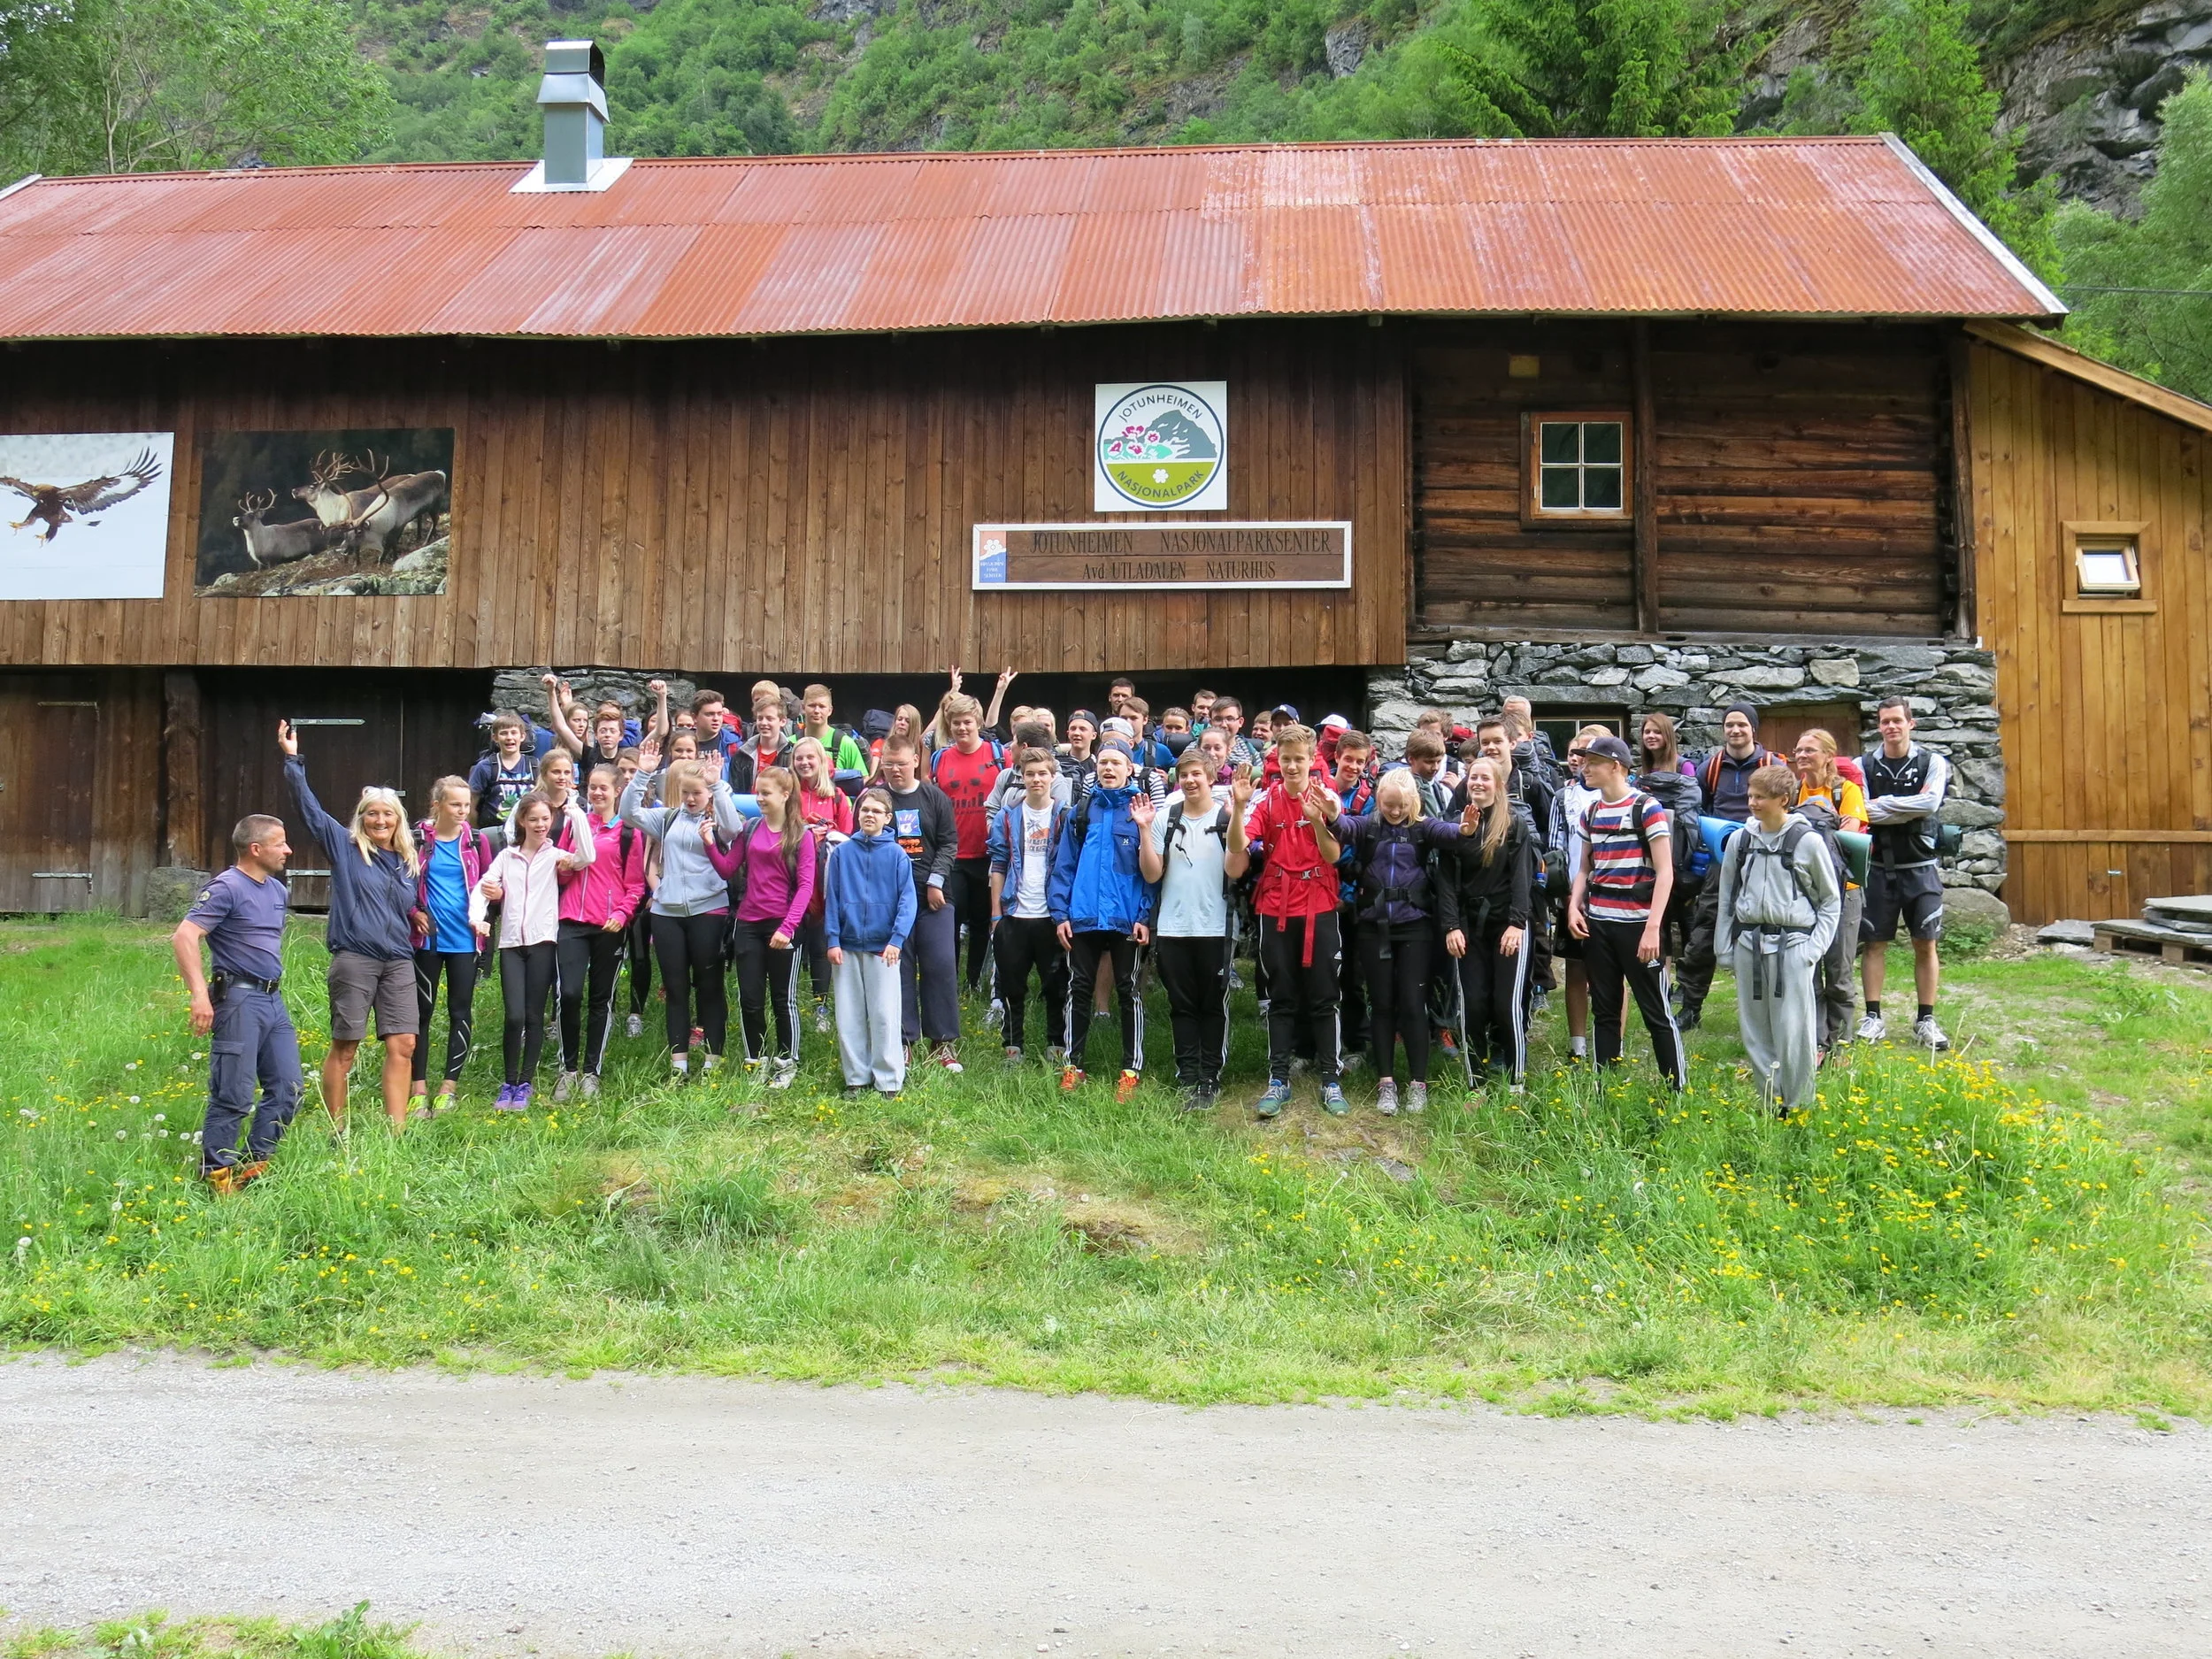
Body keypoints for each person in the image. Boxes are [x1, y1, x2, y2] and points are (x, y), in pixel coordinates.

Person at [280, 722, 419, 1133]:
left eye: (388, 814)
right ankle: (336, 1129)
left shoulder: (408, 861)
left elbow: (399, 902)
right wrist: (293, 761)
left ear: (399, 820)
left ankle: (396, 1133)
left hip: (398, 961)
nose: (380, 820)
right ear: (362, 819)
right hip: (355, 958)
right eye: (373, 813)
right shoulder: (344, 846)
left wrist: (416, 914)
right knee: (346, 1046)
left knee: (404, 1044)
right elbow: (308, 810)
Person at [174, 814, 302, 1192]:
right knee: (234, 1092)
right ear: (256, 848)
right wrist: (200, 996)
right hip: (239, 1000)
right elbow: (184, 937)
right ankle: (215, 1174)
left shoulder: (277, 891)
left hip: (272, 999)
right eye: (280, 843)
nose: (288, 850)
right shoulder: (226, 887)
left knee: (289, 1087)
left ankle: (253, 1165)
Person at [1232, 724, 1348, 1118]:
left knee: (1324, 993)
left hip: (1318, 905)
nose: (1293, 766)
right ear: (1277, 761)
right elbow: (1238, 847)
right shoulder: (1265, 801)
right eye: (1286, 759)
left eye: (1300, 759)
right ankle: (1278, 1079)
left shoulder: (1326, 796)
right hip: (1276, 906)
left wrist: (1317, 818)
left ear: (1313, 758)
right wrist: (1238, 807)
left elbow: (1333, 856)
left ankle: (1331, 1079)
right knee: (1280, 996)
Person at [1336, 767, 1468, 1114]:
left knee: (1413, 1003)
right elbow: (1344, 828)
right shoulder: (1369, 826)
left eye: (1401, 806)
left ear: (1413, 801)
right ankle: (1386, 1083)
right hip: (1373, 925)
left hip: (1415, 928)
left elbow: (1450, 834)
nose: (1395, 812)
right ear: (1379, 800)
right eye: (1389, 805)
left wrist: (1465, 829)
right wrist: (1332, 812)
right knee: (1381, 1004)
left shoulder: (1422, 829)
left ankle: (1418, 1083)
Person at [1716, 764, 1843, 1114]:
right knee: (1755, 1030)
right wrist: (1723, 947)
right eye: (1750, 796)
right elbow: (1727, 895)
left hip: (1794, 945)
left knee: (1793, 1029)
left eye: (1760, 797)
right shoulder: (1741, 840)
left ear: (1783, 800)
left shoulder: (1807, 842)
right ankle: (1770, 1103)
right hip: (1749, 945)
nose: (1752, 803)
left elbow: (1831, 901)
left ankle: (1799, 1104)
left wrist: (1812, 950)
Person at [1567, 734, 1686, 1089]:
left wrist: (1653, 928)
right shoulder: (1591, 812)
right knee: (1604, 1010)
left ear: (1616, 766)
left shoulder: (1646, 807)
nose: (1585, 768)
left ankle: (1676, 1090)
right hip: (1598, 924)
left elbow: (1666, 872)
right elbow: (1585, 868)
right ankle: (1606, 1088)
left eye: (1593, 762)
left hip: (1637, 926)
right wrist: (1575, 906)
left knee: (1656, 1012)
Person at [620, 745, 746, 1078]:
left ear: (708, 794)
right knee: (676, 988)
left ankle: (712, 1060)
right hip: (667, 913)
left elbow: (734, 830)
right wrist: (643, 774)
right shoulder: (668, 818)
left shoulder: (718, 820)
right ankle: (679, 1065)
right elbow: (629, 814)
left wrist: (718, 786)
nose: (691, 799)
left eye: (698, 793)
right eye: (687, 793)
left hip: (709, 911)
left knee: (709, 985)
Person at [470, 789, 594, 1110]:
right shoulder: (506, 856)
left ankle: (525, 1083)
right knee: (514, 1016)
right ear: (522, 820)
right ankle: (508, 1082)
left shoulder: (556, 856)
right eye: (533, 819)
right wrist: (477, 919)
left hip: (542, 943)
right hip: (511, 945)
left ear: (552, 820)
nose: (540, 825)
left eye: (545, 819)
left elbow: (587, 857)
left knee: (534, 1017)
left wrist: (576, 812)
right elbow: (483, 888)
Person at [1050, 741, 1157, 1100]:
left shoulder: (1140, 812)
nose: (1108, 769)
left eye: (1117, 763)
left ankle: (1131, 1069)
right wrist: (1060, 913)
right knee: (1078, 989)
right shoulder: (1080, 811)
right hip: (1082, 916)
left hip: (1126, 919)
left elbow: (1148, 871)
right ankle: (1072, 1065)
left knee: (1129, 992)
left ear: (1130, 769)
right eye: (1103, 763)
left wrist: (1145, 915)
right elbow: (1063, 866)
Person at [1139, 749, 1246, 1109]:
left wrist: (1240, 813)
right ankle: (1187, 1075)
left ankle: (1210, 1077)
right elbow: (1153, 874)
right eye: (1183, 774)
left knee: (1213, 1005)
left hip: (1216, 927)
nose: (1189, 780)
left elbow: (1236, 870)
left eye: (1197, 773)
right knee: (1181, 1006)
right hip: (1172, 927)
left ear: (1211, 777)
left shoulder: (1226, 816)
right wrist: (1142, 828)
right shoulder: (1164, 818)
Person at [1675, 703, 1786, 1031]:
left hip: (1764, 859)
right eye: (1729, 725)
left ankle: (1769, 1013)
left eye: (1741, 725)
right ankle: (1690, 1006)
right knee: (1705, 929)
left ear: (1754, 729)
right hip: (1721, 861)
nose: (1735, 731)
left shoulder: (1772, 765)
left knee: (1769, 930)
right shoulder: (1711, 767)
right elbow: (1701, 809)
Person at [1858, 696, 1953, 1051]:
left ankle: (1926, 1020)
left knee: (1925, 943)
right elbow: (1863, 811)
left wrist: (1883, 806)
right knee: (1874, 943)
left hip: (1921, 867)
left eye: (1897, 720)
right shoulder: (1863, 764)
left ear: (1910, 723)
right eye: (1885, 721)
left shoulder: (1933, 762)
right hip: (1878, 867)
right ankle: (1873, 1017)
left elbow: (1930, 804)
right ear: (1878, 725)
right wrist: (1906, 807)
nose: (1891, 727)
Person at [551, 764, 647, 1102]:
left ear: (617, 790)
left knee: (600, 1000)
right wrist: (563, 871)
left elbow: (636, 885)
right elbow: (559, 872)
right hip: (571, 922)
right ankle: (568, 1069)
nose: (597, 794)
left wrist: (622, 914)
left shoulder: (628, 832)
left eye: (603, 788)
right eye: (592, 787)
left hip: (609, 926)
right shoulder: (573, 824)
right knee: (570, 994)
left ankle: (592, 1071)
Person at [1440, 756, 1536, 1094]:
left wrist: (1517, 923)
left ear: (1498, 785)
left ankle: (1516, 1083)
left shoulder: (1513, 825)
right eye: (1472, 777)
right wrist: (1451, 926)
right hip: (1468, 928)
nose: (1477, 783)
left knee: (1505, 1004)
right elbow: (1447, 881)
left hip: (1507, 926)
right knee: (1474, 1005)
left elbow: (1523, 879)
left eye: (1485, 778)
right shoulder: (1454, 825)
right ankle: (1475, 1084)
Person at [877, 734, 963, 1073]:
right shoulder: (875, 798)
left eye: (901, 763)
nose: (895, 770)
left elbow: (948, 843)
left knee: (940, 964)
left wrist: (935, 881)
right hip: (891, 899)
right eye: (889, 763)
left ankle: (942, 1042)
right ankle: (904, 1040)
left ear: (915, 761)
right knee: (898, 968)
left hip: (933, 897)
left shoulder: (933, 796)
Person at [825, 787, 918, 1098]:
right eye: (865, 809)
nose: (869, 815)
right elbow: (833, 898)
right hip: (848, 945)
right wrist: (833, 939)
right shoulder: (842, 854)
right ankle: (856, 1078)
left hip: (883, 947)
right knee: (849, 1015)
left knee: (884, 1014)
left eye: (877, 811)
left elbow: (908, 901)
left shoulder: (897, 855)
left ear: (887, 818)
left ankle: (889, 1079)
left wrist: (896, 939)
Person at [729, 766, 818, 1089]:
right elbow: (729, 868)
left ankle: (786, 1061)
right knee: (750, 998)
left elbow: (806, 886)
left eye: (766, 793)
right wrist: (710, 843)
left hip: (782, 926)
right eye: (757, 792)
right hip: (748, 923)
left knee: (784, 999)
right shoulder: (750, 828)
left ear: (785, 795)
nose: (759, 798)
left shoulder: (802, 835)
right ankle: (756, 1060)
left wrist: (787, 927)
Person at [410, 776, 493, 1115]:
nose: (463, 811)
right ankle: (418, 1089)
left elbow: (490, 882)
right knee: (421, 1014)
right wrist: (413, 911)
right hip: (427, 940)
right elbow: (402, 883)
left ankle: (448, 1087)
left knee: (460, 1011)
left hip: (464, 940)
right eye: (455, 804)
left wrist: (494, 898)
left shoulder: (476, 841)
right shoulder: (416, 839)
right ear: (438, 805)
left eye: (466, 805)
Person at [988, 747, 1070, 1065]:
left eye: (1042, 773)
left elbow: (1070, 866)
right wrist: (996, 914)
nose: (1036, 779)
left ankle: (1056, 1044)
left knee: (1056, 985)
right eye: (1030, 773)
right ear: (1021, 776)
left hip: (1051, 915)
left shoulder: (1065, 815)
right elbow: (998, 864)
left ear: (1053, 776)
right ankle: (1012, 1047)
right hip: (1014, 914)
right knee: (1012, 986)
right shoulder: (1007, 817)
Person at [1792, 728, 1869, 1054]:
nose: (1802, 755)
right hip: (1805, 890)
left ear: (1828, 756)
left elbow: (1848, 833)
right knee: (1809, 968)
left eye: (1810, 750)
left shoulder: (1846, 790)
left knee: (1838, 969)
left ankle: (1842, 1041)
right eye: (1798, 750)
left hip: (1842, 891)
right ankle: (1817, 1040)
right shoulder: (1794, 792)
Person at [928, 693, 1004, 996]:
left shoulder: (997, 754)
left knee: (981, 922)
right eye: (956, 723)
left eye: (967, 722)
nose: (962, 728)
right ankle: (948, 982)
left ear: (978, 723)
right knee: (949, 921)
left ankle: (973, 983)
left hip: (987, 853)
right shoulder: (941, 757)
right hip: (952, 854)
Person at [1548, 725, 1614, 1063]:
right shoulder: (1565, 796)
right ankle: (1578, 1044)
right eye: (1579, 753)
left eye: (1591, 753)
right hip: (1575, 897)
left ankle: (1612, 1043)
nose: (1583, 761)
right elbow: (1555, 849)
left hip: (1613, 896)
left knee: (1611, 972)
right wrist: (1563, 894)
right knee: (1576, 968)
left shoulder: (1620, 794)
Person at [790, 735, 856, 1033]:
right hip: (791, 880)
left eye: (809, 758)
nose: (804, 763)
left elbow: (848, 842)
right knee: (792, 944)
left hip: (825, 884)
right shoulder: (788, 794)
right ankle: (788, 1002)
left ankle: (821, 1004)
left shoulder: (838, 797)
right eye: (798, 758)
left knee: (820, 944)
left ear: (822, 761)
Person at [468, 710, 538, 833]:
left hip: (527, 832)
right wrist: (476, 834)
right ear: (495, 737)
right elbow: (471, 805)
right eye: (504, 733)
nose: (509, 737)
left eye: (513, 733)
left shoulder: (535, 766)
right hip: (492, 832)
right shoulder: (485, 767)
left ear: (522, 736)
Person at [800, 683, 870, 775]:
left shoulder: (845, 744)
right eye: (812, 705)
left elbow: (862, 779)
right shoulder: (791, 743)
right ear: (803, 708)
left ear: (830, 710)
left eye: (822, 706)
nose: (816, 711)